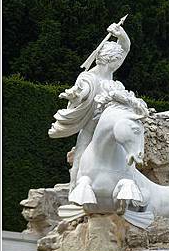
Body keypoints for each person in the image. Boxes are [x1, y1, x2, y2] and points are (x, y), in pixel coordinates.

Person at [49, 22, 130, 190]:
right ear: (110, 61)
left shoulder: (109, 73)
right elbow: (82, 91)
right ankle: (73, 186)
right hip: (91, 123)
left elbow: (125, 48)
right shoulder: (89, 77)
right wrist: (73, 95)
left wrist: (120, 34)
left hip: (108, 123)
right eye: (117, 60)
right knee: (81, 153)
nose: (119, 62)